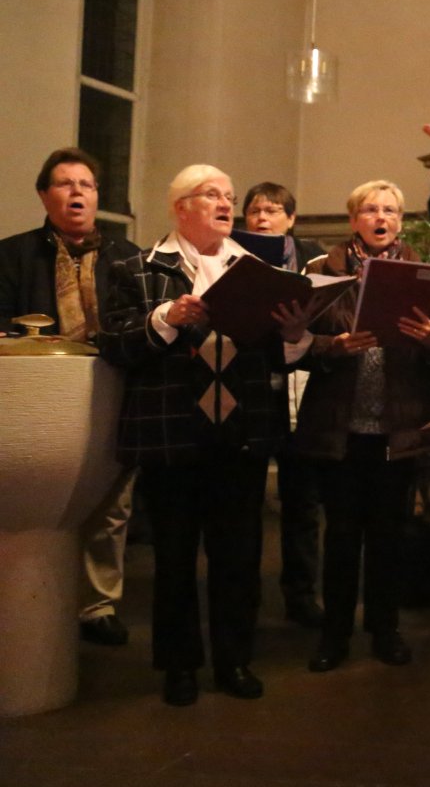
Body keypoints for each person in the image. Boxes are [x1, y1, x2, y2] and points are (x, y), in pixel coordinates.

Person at [98, 165, 312, 706]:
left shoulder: (253, 268)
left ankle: (234, 661)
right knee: (173, 558)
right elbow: (116, 344)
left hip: (240, 431)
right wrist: (167, 316)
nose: (226, 204)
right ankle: (179, 667)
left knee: (238, 556)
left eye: (230, 197)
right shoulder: (138, 267)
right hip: (172, 431)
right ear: (180, 207)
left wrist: (292, 335)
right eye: (212, 195)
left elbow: (275, 357)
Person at [294, 179, 430, 673]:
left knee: (388, 536)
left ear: (401, 222)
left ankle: (385, 630)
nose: (380, 217)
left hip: (397, 427)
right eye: (370, 209)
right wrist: (332, 347)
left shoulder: (424, 278)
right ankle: (335, 635)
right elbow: (294, 343)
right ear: (354, 220)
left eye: (390, 210)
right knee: (341, 536)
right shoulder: (323, 273)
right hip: (339, 426)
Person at [0, 148, 139, 646]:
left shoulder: (127, 257)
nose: (78, 192)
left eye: (87, 184)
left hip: (112, 392)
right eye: (65, 184)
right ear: (44, 194)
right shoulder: (12, 255)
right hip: (39, 402)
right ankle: (31, 599)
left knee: (112, 504)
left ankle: (97, 604)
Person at [240, 181, 328, 630]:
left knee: (303, 501)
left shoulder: (315, 257)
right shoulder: (234, 257)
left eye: (272, 210)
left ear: (291, 220)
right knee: (247, 499)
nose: (262, 218)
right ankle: (244, 595)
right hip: (253, 389)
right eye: (254, 210)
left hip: (303, 387)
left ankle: (301, 594)